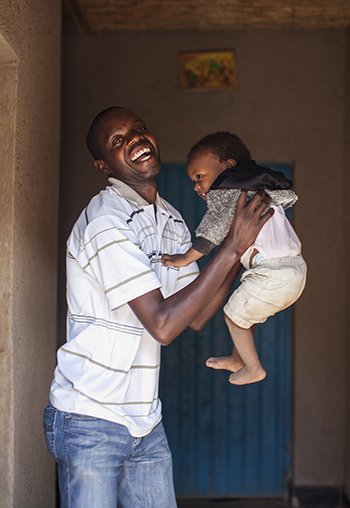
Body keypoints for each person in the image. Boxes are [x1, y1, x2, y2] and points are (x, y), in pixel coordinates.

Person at [43, 107, 273, 508]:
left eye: (139, 130)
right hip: (90, 419)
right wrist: (231, 245)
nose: (134, 139)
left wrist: (239, 248)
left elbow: (196, 315)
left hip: (146, 422)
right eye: (118, 141)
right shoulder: (106, 221)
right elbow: (163, 325)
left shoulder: (171, 220)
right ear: (103, 165)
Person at [162, 131, 307, 386]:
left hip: (273, 272)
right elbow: (288, 196)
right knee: (244, 314)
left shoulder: (229, 190)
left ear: (228, 166)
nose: (197, 186)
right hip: (294, 270)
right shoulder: (264, 187)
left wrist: (185, 258)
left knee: (232, 315)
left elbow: (212, 229)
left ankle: (253, 367)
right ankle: (238, 357)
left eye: (199, 177)